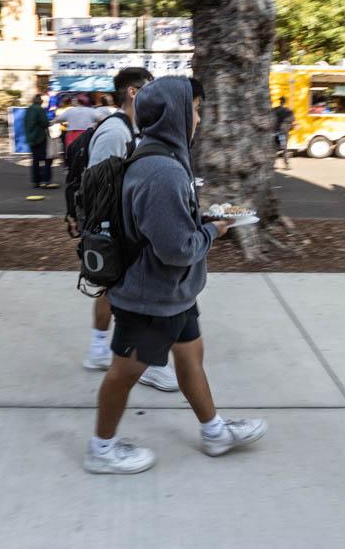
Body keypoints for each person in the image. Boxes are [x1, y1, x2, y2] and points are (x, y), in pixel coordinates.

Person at [84, 76, 267, 474]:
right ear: (176, 114)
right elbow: (176, 249)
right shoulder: (161, 171)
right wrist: (212, 230)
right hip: (153, 298)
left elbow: (163, 226)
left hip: (175, 293)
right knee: (124, 373)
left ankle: (214, 432)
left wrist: (199, 220)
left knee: (190, 356)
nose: (198, 119)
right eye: (195, 109)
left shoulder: (161, 157)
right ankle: (102, 450)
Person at [80, 67, 177, 393]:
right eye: (150, 89)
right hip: (117, 229)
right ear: (134, 92)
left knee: (117, 292)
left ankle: (101, 352)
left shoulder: (132, 129)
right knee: (134, 296)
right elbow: (98, 185)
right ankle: (142, 363)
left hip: (126, 227)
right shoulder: (115, 132)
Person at [23, 95, 56, 189]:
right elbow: (45, 123)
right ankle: (45, 180)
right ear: (40, 101)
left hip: (31, 138)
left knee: (35, 160)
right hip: (40, 137)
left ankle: (35, 181)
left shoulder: (28, 109)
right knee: (46, 160)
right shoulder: (40, 110)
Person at [273, 97, 295, 170]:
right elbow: (292, 120)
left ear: (280, 102)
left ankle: (272, 164)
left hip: (276, 131)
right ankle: (286, 165)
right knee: (284, 148)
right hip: (284, 132)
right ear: (285, 102)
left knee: (275, 148)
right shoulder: (288, 111)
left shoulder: (275, 110)